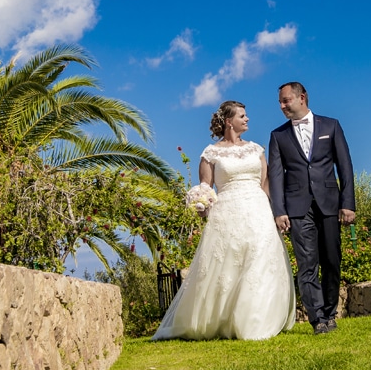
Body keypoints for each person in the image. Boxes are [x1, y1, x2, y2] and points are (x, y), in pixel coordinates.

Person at [152, 101, 295, 341]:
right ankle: (222, 318)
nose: (247, 119)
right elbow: (206, 186)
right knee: (228, 265)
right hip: (227, 212)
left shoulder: (256, 150)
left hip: (257, 209)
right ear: (229, 121)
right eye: (242, 115)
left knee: (260, 260)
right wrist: (201, 202)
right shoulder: (211, 154)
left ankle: (255, 319)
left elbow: (265, 183)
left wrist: (274, 211)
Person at [268, 82, 355, 334]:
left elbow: (345, 166)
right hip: (296, 208)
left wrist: (347, 203)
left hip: (329, 203)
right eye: (280, 102)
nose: (282, 106)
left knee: (331, 260)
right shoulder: (278, 136)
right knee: (307, 263)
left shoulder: (332, 126)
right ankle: (317, 319)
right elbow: (275, 175)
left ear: (302, 97)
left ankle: (330, 314)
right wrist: (279, 210)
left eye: (286, 100)